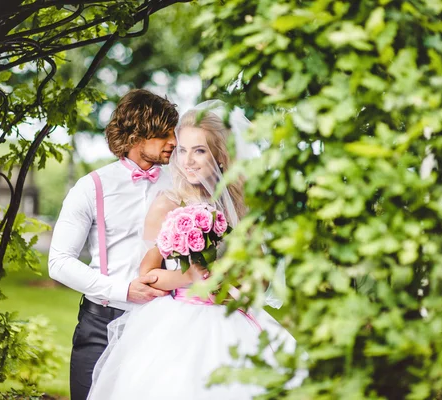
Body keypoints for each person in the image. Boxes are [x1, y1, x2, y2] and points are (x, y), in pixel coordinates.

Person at [87, 102, 298, 399]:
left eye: (199, 150)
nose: (188, 160)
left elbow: (260, 275)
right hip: (180, 320)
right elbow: (147, 275)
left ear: (221, 156)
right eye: (182, 150)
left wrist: (238, 289)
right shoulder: (168, 203)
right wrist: (190, 276)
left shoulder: (241, 205)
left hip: (232, 316)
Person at [48, 89, 179, 400]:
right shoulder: (91, 187)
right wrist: (122, 290)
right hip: (100, 325)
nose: (173, 141)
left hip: (163, 325)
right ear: (135, 135)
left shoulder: (179, 185)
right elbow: (59, 262)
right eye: (163, 133)